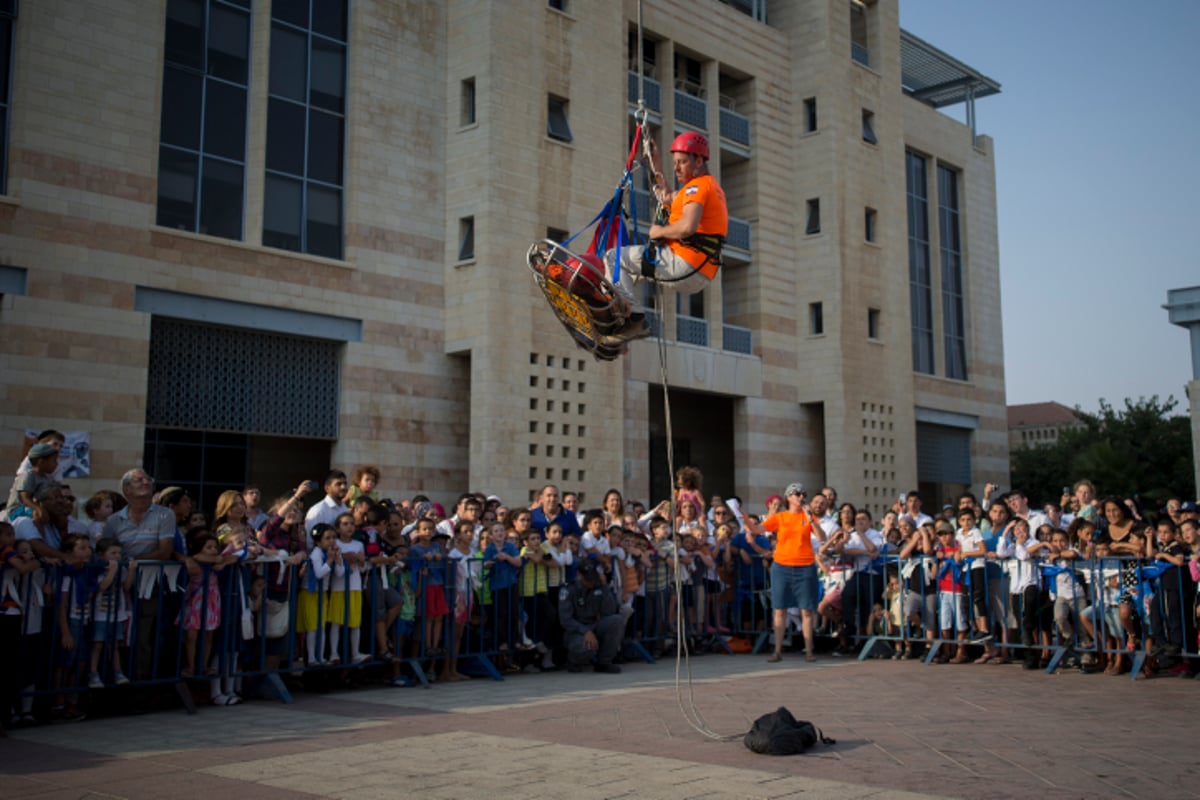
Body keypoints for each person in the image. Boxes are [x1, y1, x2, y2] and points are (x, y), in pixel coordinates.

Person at [602, 132, 728, 345]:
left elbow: (688, 227)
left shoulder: (698, 187)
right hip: (699, 271)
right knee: (624, 278)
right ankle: (619, 334)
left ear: (699, 161)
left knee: (613, 259)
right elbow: (664, 196)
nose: (677, 168)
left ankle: (633, 320)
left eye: (683, 162)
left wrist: (659, 232)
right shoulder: (705, 188)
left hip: (685, 264)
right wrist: (655, 162)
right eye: (675, 163)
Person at [742, 483, 824, 663]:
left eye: (803, 493)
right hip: (782, 566)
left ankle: (809, 650)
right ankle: (777, 650)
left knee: (807, 609)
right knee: (779, 609)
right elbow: (757, 530)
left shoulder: (808, 516)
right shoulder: (781, 517)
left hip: (805, 566)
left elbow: (821, 537)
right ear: (788, 497)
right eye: (797, 493)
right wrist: (743, 514)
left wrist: (810, 518)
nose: (801, 496)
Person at [558, 559, 624, 673]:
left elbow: (609, 611)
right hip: (575, 631)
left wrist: (604, 587)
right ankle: (573, 661)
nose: (591, 582)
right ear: (579, 575)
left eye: (593, 578)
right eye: (588, 579)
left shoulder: (598, 586)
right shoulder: (569, 589)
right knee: (585, 647)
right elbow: (565, 619)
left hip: (594, 625)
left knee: (616, 621)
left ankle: (604, 662)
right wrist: (585, 631)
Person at [304, 471, 350, 549]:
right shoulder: (318, 510)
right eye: (338, 484)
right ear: (327, 488)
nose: (343, 487)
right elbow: (311, 541)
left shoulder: (344, 508)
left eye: (345, 483)